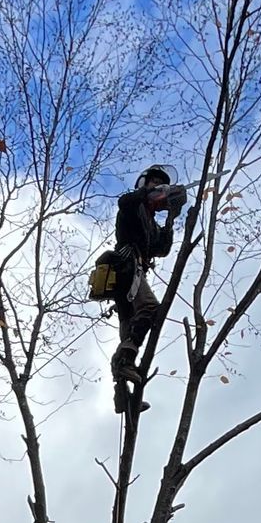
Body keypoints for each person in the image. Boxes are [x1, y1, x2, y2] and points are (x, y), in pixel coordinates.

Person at [109, 164, 187, 416]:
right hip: (125, 265)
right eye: (153, 182)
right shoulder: (133, 204)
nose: (156, 187)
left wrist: (172, 217)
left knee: (128, 329)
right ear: (145, 184)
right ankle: (126, 360)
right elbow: (125, 202)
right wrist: (152, 193)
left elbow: (161, 249)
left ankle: (123, 397)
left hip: (135, 269)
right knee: (151, 308)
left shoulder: (151, 222)